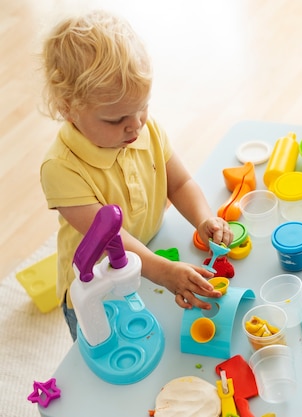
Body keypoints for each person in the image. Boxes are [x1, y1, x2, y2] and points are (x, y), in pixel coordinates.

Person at [39, 10, 233, 341]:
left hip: (147, 258)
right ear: (68, 108)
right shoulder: (61, 168)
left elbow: (180, 182)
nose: (135, 125)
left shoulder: (144, 128)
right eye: (116, 120)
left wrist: (204, 219)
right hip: (96, 289)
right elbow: (111, 237)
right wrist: (165, 272)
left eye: (142, 107)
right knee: (101, 354)